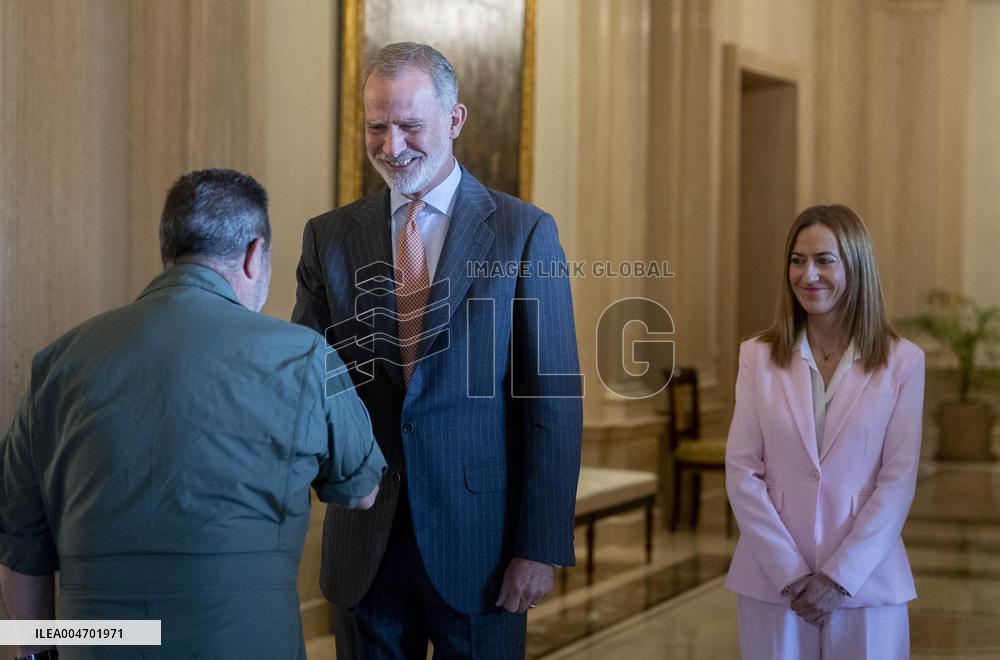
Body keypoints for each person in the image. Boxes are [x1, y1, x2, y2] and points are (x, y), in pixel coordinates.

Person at [0, 169, 387, 660]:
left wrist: (36, 654)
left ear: (168, 253)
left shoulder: (57, 363)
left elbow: (19, 546)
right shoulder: (305, 356)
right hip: (246, 643)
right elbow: (362, 491)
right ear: (254, 256)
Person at [292, 42, 583, 658]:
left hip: (481, 547)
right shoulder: (329, 237)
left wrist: (539, 546)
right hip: (365, 541)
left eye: (409, 125)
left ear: (454, 121)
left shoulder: (524, 230)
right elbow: (310, 379)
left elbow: (551, 400)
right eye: (377, 126)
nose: (391, 146)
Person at [724, 204, 925, 659]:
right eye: (797, 260)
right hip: (772, 582)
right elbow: (742, 471)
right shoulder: (757, 356)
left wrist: (839, 578)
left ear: (855, 265)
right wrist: (790, 573)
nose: (808, 274)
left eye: (824, 260)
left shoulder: (903, 361)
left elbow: (897, 480)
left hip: (867, 583)